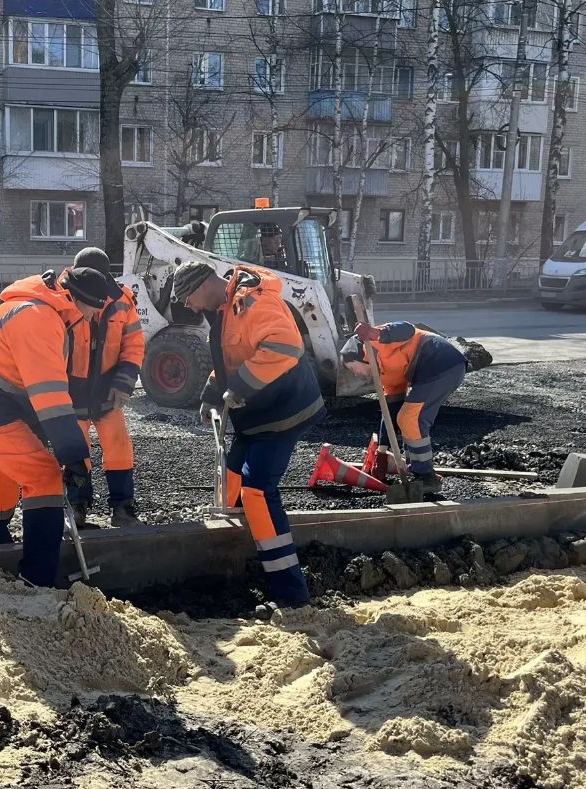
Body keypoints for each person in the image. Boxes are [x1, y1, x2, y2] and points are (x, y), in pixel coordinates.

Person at [0, 267, 112, 587]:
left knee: (4, 475)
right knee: (44, 476)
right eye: (92, 311)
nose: (90, 318)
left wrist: (57, 442)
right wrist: (73, 457)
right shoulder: (39, 318)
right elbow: (49, 395)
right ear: (78, 301)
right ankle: (37, 578)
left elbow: (34, 387)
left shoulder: (40, 307)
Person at [171, 259, 326, 609]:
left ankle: (290, 594)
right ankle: (240, 551)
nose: (190, 308)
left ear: (201, 287)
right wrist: (211, 394)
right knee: (232, 476)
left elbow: (285, 347)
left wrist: (240, 387)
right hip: (258, 414)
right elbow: (232, 358)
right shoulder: (226, 309)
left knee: (257, 490)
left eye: (188, 300)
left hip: (283, 412)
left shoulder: (254, 301)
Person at [62, 247, 146, 528]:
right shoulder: (61, 296)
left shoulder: (123, 301)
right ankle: (77, 507)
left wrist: (124, 383)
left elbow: (133, 345)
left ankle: (123, 508)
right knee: (77, 449)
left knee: (119, 445)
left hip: (108, 388)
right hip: (71, 390)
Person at [340, 322, 468, 493]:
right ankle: (418, 472)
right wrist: (382, 451)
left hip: (441, 361)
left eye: (353, 368)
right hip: (435, 372)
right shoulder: (385, 374)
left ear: (360, 357)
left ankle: (426, 476)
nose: (356, 374)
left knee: (410, 418)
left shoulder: (375, 342)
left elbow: (407, 328)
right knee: (404, 419)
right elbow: (390, 412)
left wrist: (376, 333)